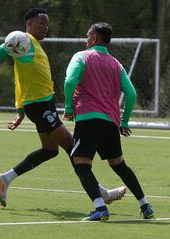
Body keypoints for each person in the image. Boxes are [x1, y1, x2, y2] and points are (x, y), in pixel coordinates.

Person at [0, 8, 126, 207]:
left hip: (39, 106)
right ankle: (101, 194)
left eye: (47, 24)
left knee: (49, 150)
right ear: (29, 24)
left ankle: (6, 179)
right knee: (74, 148)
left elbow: (20, 80)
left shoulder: (34, 45)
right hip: (40, 107)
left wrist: (20, 111)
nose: (46, 27)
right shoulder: (22, 40)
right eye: (41, 23)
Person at [63, 22, 154, 221]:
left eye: (88, 36)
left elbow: (69, 81)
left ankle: (100, 208)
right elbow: (131, 94)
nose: (86, 40)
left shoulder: (81, 56)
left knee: (80, 163)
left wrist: (69, 108)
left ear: (95, 37)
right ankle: (145, 204)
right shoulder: (116, 63)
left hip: (88, 119)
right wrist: (125, 121)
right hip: (110, 122)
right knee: (119, 164)